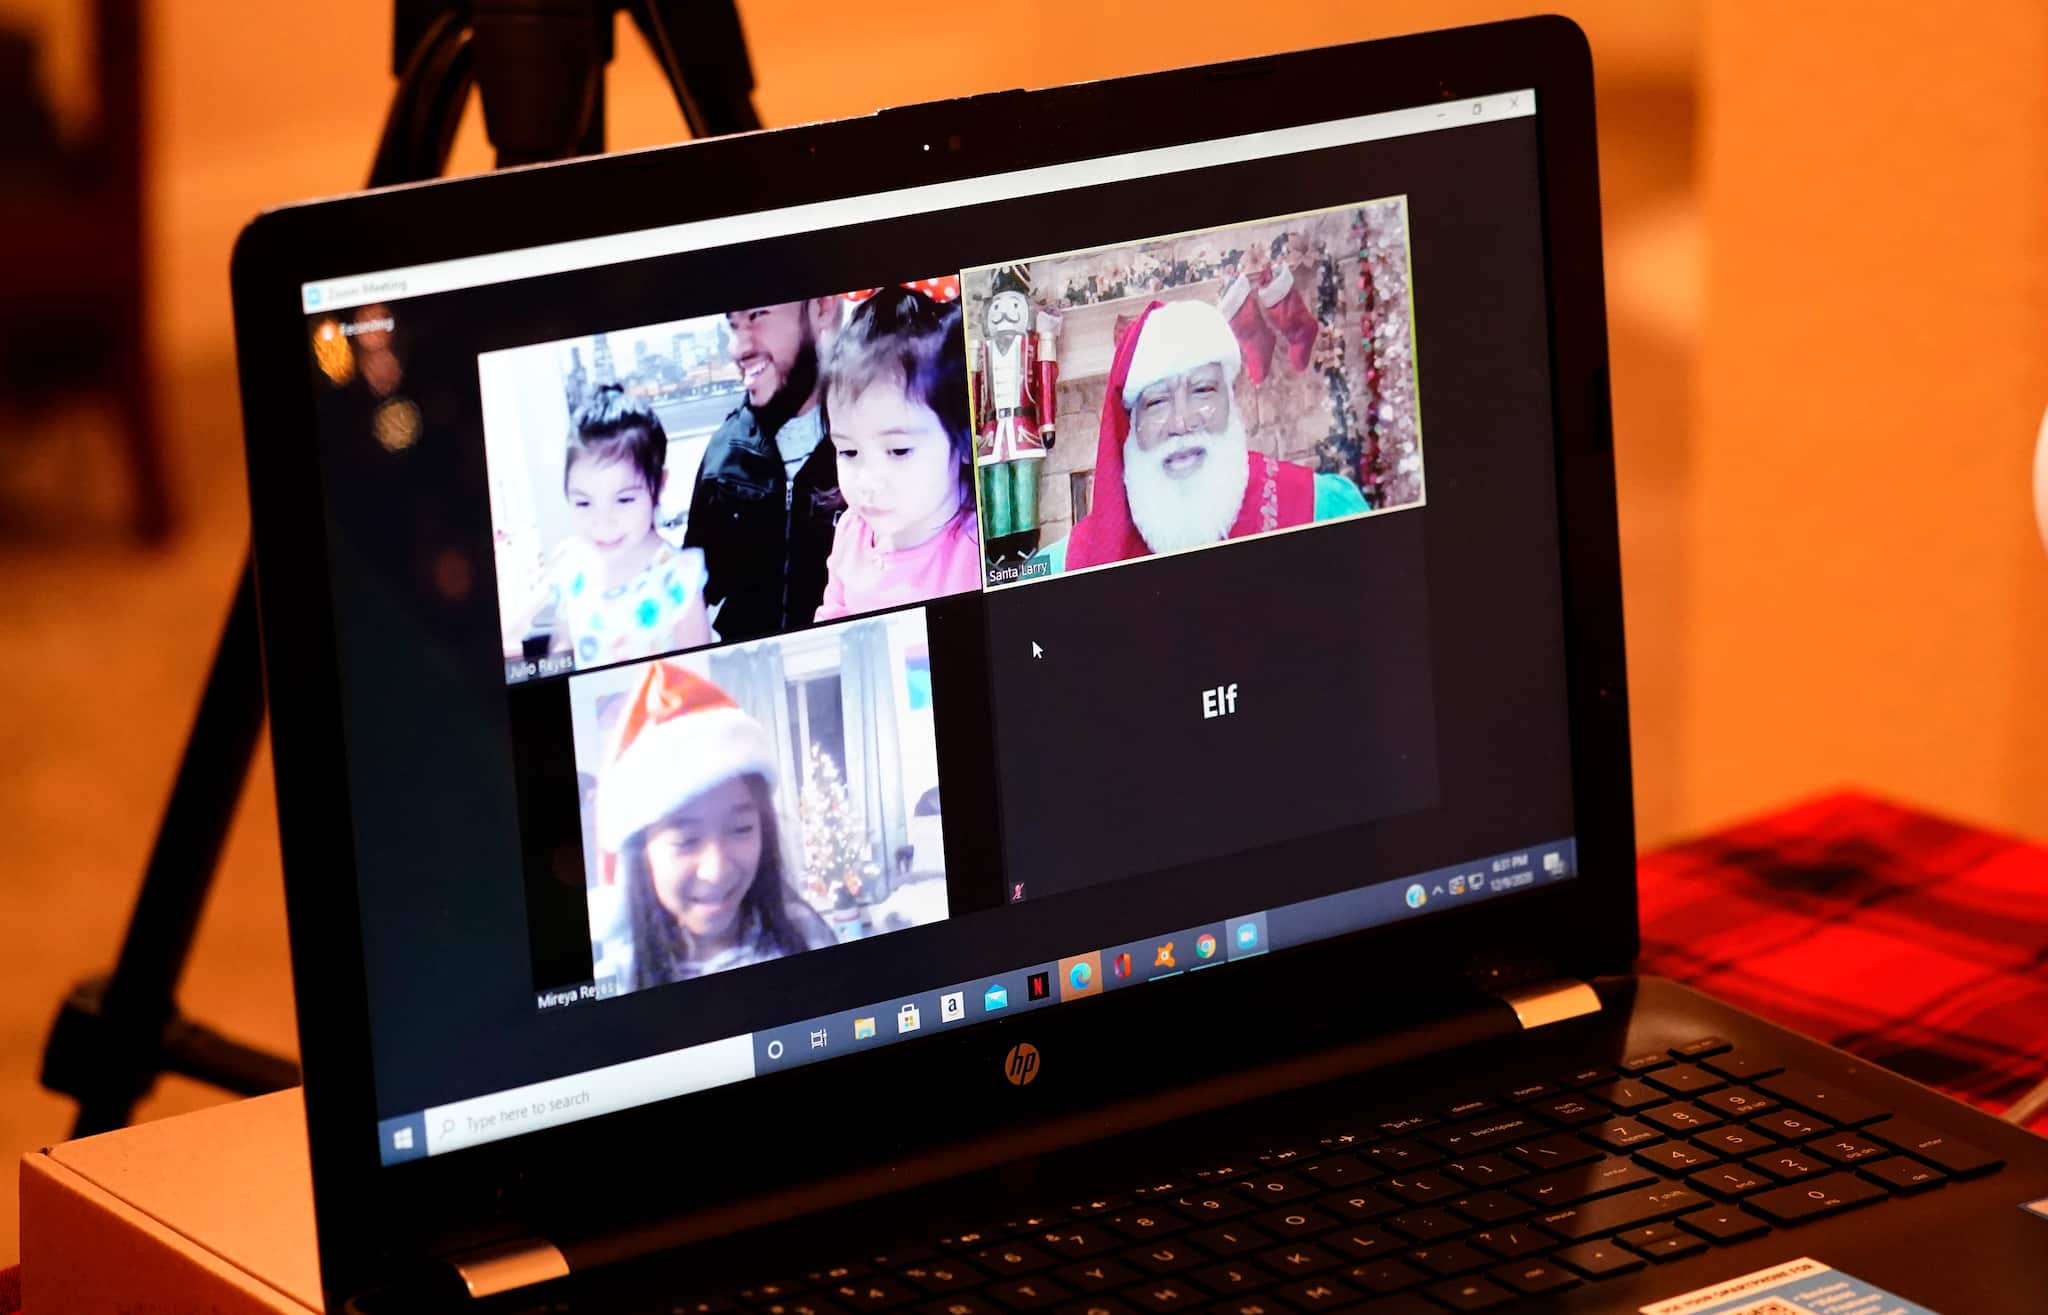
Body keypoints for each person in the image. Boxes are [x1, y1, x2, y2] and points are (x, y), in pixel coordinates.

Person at [1050, 299, 1369, 571]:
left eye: (1202, 390)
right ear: (1132, 425)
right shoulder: (1064, 565)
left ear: (1231, 401)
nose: (1181, 421)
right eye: (1157, 402)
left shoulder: (1321, 510)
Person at [596, 660, 835, 989]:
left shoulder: (807, 936)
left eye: (741, 829)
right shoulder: (615, 981)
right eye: (686, 840)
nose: (717, 870)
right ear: (642, 852)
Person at [505, 385, 713, 668]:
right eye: (584, 503)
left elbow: (699, 679)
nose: (602, 522)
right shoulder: (571, 568)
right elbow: (564, 648)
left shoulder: (678, 579)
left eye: (624, 499)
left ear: (658, 486)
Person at [684, 298, 845, 643]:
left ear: (821, 308)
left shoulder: (868, 444)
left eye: (757, 314)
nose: (739, 348)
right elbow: (694, 591)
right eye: (733, 325)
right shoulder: (724, 455)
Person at [815, 289, 981, 621]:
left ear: (963, 442)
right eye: (848, 451)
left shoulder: (976, 553)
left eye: (898, 450)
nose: (867, 481)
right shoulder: (851, 533)